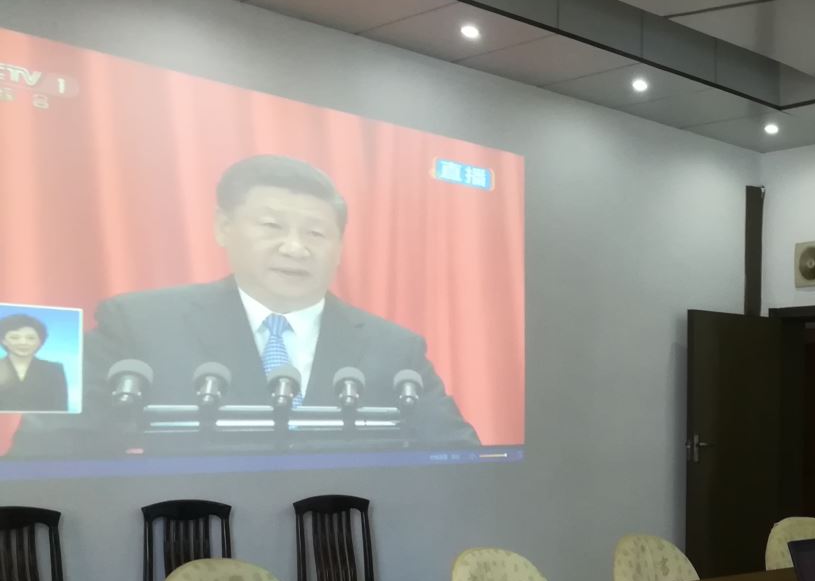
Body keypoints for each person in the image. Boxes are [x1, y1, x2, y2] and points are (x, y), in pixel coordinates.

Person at [12, 155, 478, 453]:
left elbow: (460, 458)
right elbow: (47, 455)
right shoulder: (136, 325)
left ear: (339, 246)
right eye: (272, 226)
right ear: (223, 227)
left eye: (316, 233)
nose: (295, 248)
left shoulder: (395, 349)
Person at [0, 313, 69, 412]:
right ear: (3, 341)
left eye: (30, 338)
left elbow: (61, 408)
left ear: (40, 342)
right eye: (15, 337)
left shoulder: (54, 370)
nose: (23, 342)